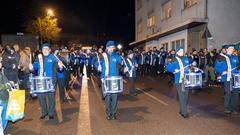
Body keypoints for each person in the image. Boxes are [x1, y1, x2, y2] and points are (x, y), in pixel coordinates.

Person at [29, 43, 64, 119]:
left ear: (49, 50)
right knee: (41, 97)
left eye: (46, 49)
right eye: (43, 49)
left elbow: (59, 69)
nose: (45, 50)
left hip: (51, 81)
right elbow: (35, 67)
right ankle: (44, 112)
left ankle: (51, 113)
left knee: (51, 98)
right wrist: (32, 68)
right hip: (40, 81)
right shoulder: (39, 57)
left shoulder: (54, 57)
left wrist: (60, 67)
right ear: (41, 50)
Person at [96, 40, 125, 120]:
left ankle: (114, 112)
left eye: (112, 47)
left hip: (114, 80)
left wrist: (123, 69)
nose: (111, 49)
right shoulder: (102, 56)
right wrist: (97, 67)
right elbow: (96, 63)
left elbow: (120, 66)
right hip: (105, 79)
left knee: (115, 98)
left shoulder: (117, 56)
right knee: (107, 98)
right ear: (107, 48)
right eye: (110, 47)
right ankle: (108, 113)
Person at [214, 44, 239, 115]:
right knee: (228, 93)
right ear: (227, 50)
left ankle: (233, 108)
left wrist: (238, 69)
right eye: (230, 49)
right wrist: (222, 72)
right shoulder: (222, 57)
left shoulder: (235, 57)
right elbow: (216, 67)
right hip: (226, 77)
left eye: (232, 49)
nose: (232, 50)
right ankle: (226, 108)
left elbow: (237, 66)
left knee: (235, 93)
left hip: (235, 77)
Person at [166, 48, 190, 118]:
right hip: (178, 80)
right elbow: (168, 67)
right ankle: (184, 113)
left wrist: (191, 66)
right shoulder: (174, 59)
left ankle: (181, 109)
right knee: (181, 96)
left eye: (183, 51)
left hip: (186, 80)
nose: (182, 52)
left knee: (186, 96)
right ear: (177, 52)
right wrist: (174, 69)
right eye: (180, 51)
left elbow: (189, 66)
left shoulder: (186, 58)